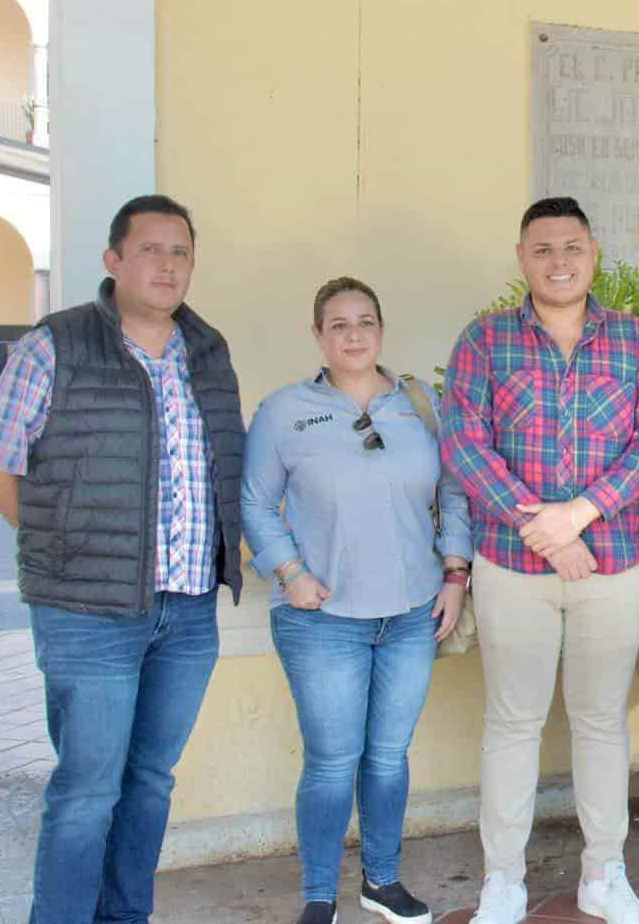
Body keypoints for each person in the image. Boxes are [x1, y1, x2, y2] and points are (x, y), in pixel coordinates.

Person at [0, 194, 245, 924]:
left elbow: (226, 467)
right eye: (151, 249)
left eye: (180, 251)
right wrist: (57, 555)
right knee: (87, 789)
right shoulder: (55, 344)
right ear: (114, 261)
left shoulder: (209, 352)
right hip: (87, 613)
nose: (168, 264)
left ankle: (126, 917)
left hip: (186, 613)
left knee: (151, 781)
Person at [442, 197, 639, 924]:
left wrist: (580, 513)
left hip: (613, 561)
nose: (559, 261)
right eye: (543, 249)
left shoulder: (636, 343)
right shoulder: (484, 342)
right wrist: (536, 524)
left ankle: (604, 875)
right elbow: (463, 443)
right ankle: (503, 879)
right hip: (513, 566)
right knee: (513, 721)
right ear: (522, 258)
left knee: (601, 719)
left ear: (594, 253)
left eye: (571, 247)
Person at [242, 276, 475, 924]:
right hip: (322, 622)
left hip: (411, 615)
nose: (353, 334)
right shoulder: (284, 411)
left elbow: (455, 493)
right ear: (317, 335)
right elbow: (256, 503)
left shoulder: (420, 405)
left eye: (365, 321)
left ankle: (382, 882)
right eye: (338, 324)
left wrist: (455, 576)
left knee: (388, 759)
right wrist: (289, 572)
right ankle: (320, 896)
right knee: (331, 763)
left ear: (381, 330)